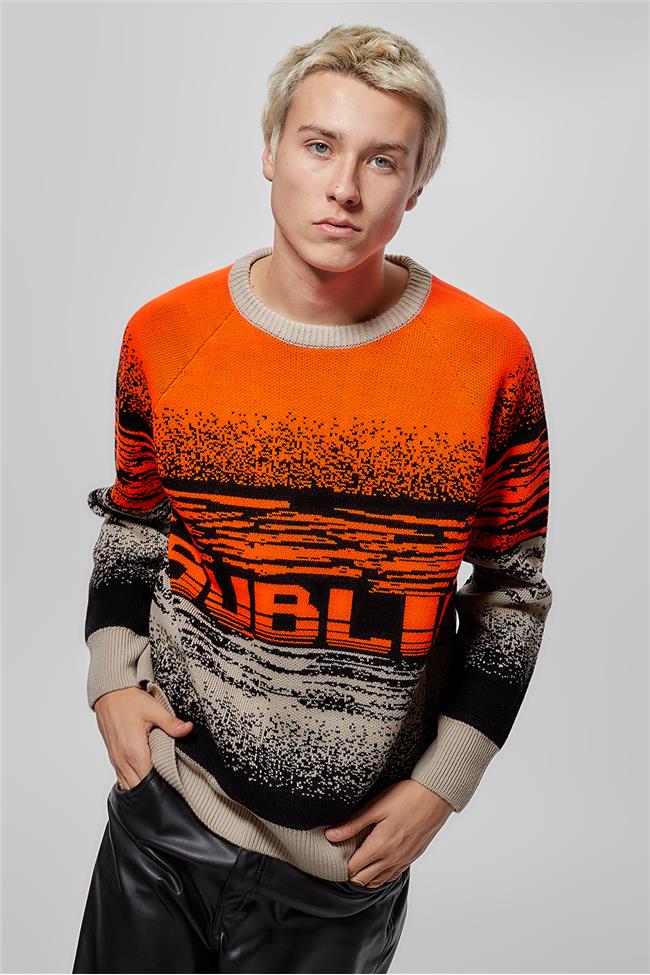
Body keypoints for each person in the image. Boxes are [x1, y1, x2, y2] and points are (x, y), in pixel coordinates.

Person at [72, 22, 554, 975]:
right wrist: (112, 676)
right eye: (320, 144)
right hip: (167, 807)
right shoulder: (166, 336)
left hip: (342, 861)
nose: (344, 186)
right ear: (270, 150)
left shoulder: (488, 361)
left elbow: (511, 592)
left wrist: (444, 781)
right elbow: (136, 518)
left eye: (383, 159)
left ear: (416, 185)